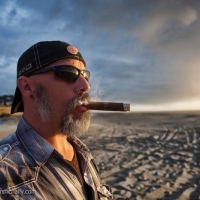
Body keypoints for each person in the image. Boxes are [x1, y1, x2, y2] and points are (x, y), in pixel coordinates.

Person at [0, 41, 113, 200]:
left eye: (85, 75)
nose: (86, 86)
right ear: (27, 87)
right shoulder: (5, 173)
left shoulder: (81, 151)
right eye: (68, 73)